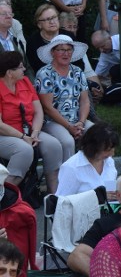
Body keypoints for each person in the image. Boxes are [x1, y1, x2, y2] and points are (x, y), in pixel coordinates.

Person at [0, 51, 63, 193]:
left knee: (54, 146)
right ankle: (5, 193)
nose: (24, 69)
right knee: (24, 149)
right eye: (21, 67)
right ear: (10, 72)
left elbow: (38, 111)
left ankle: (55, 194)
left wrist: (34, 133)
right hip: (6, 134)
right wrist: (23, 137)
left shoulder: (25, 82)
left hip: (29, 131)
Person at [35, 35, 91, 160]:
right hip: (52, 121)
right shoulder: (45, 74)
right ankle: (66, 177)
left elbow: (85, 101)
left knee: (96, 133)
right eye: (61, 50)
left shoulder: (78, 72)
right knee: (67, 141)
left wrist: (81, 123)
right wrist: (69, 126)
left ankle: (91, 173)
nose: (66, 53)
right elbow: (48, 108)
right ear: (52, 52)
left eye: (69, 49)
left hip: (77, 120)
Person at [56, 122, 118, 197]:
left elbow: (111, 193)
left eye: (112, 149)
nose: (112, 154)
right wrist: (96, 198)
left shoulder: (109, 161)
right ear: (93, 148)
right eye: (107, 150)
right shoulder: (71, 167)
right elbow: (62, 202)